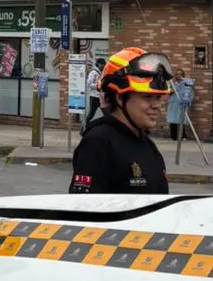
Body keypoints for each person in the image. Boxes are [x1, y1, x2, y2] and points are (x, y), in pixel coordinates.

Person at [69, 48, 173, 195]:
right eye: (146, 97)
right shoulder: (98, 143)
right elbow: (84, 209)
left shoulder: (147, 145)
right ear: (119, 98)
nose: (156, 105)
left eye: (158, 98)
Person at [167, 69, 195, 141]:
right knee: (173, 120)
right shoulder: (172, 83)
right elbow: (167, 91)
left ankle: (183, 135)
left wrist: (188, 101)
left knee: (181, 119)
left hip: (182, 103)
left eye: (180, 74)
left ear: (183, 75)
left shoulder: (186, 83)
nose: (178, 76)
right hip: (173, 103)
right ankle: (173, 136)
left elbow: (191, 92)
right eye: (177, 74)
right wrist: (170, 91)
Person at [85, 59, 102, 127]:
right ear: (98, 64)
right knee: (91, 114)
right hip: (94, 97)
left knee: (107, 113)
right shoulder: (93, 72)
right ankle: (84, 127)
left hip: (100, 97)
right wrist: (97, 86)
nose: (103, 66)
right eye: (102, 64)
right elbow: (89, 84)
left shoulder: (101, 72)